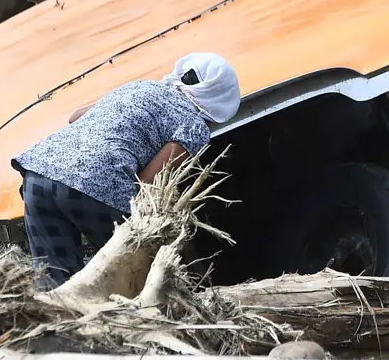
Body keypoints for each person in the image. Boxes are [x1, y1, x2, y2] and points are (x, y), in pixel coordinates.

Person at [13, 53, 240, 289]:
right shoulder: (194, 126)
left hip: (39, 172)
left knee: (53, 283)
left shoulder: (142, 86)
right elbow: (146, 185)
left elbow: (75, 117)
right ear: (219, 99)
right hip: (96, 184)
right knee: (142, 281)